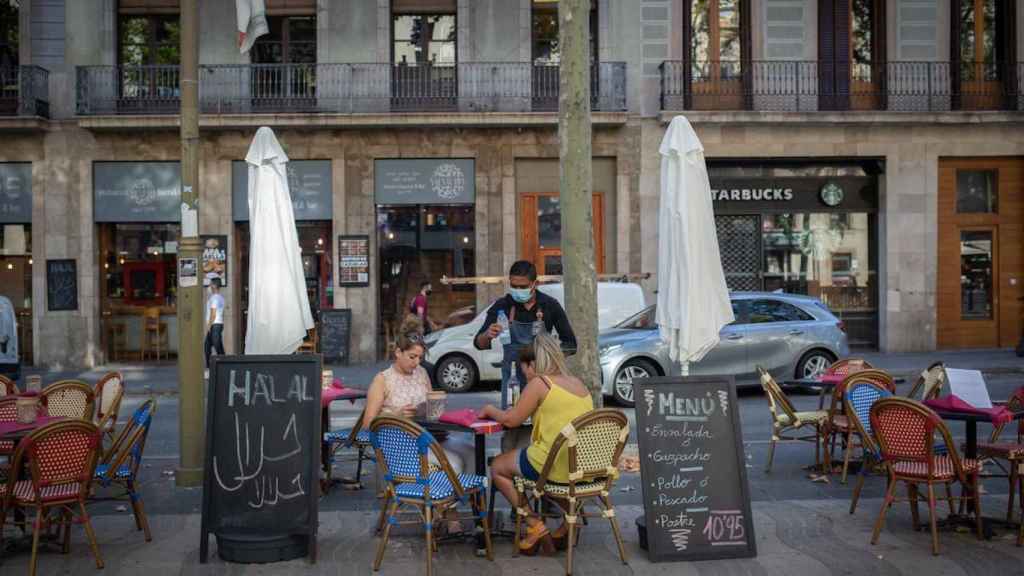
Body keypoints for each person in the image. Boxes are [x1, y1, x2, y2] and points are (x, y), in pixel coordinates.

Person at [478, 333, 593, 555]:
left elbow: (512, 420)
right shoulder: (578, 382)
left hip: (553, 463)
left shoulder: (540, 383)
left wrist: (490, 410)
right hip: (582, 464)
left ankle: (535, 525)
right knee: (547, 474)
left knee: (498, 468)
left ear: (533, 364)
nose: (525, 374)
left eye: (524, 369)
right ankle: (570, 522)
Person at [361, 316, 471, 475]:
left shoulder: (422, 373)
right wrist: (396, 416)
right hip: (400, 446)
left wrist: (434, 407)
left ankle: (468, 498)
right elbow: (367, 424)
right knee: (454, 464)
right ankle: (444, 499)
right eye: (412, 357)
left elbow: (432, 407)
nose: (417, 362)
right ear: (398, 352)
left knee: (470, 452)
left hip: (429, 436)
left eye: (420, 357)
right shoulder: (382, 380)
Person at [474, 260, 576, 411]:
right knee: (512, 421)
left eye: (523, 287)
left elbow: (571, 344)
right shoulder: (502, 306)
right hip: (512, 380)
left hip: (542, 379)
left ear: (535, 284)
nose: (518, 290)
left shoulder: (550, 305)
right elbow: (478, 343)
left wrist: (548, 359)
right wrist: (487, 335)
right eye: (514, 286)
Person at [204, 278, 225, 368]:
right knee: (207, 346)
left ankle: (224, 365)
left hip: (215, 325)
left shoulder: (215, 298)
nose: (209, 286)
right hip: (217, 324)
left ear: (214, 286)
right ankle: (209, 367)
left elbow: (213, 313)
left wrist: (209, 325)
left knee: (217, 346)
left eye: (210, 284)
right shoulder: (220, 297)